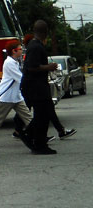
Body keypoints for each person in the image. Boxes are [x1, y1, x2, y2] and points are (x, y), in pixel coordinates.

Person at [21, 20, 62, 155]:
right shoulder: (36, 46)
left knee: (44, 113)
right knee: (42, 116)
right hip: (36, 87)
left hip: (36, 86)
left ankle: (30, 135)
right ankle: (39, 144)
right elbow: (32, 67)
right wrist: (49, 67)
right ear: (45, 32)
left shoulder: (34, 45)